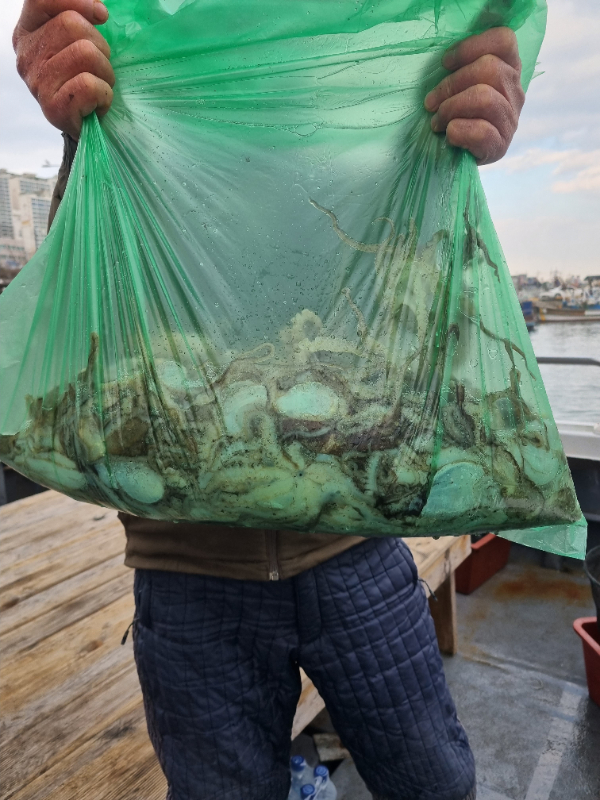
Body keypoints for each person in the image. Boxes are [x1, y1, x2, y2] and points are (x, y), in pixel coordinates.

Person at [13, 3, 527, 798]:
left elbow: (416, 291)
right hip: (185, 578)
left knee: (436, 782)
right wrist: (81, 128)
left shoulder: (342, 112)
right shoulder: (137, 106)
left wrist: (465, 103)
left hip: (358, 550)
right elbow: (85, 312)